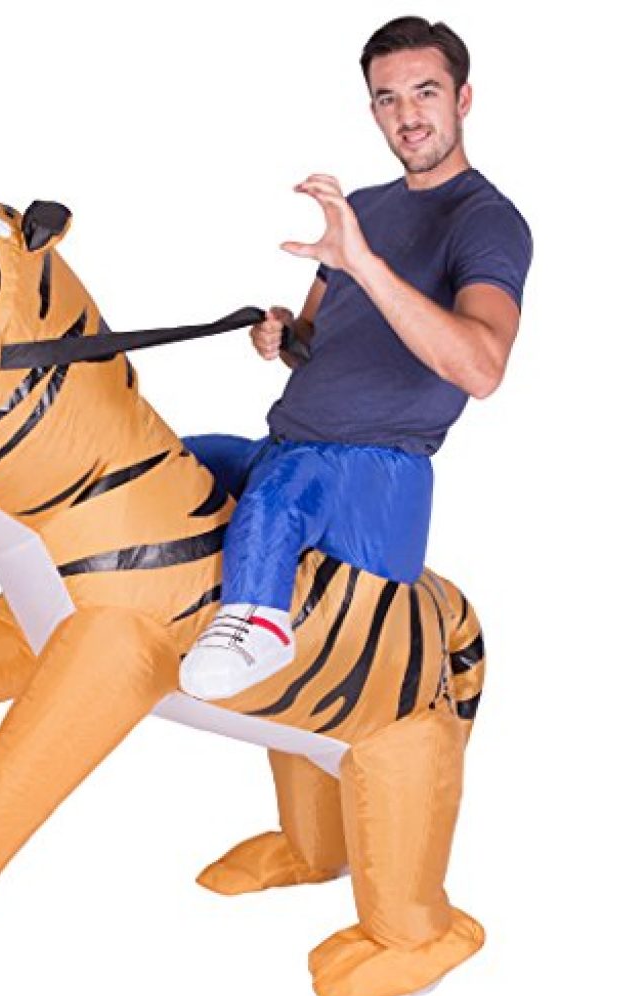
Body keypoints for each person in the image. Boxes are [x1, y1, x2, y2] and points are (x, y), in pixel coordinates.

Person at [179, 15, 533, 700]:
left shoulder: (487, 220)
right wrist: (285, 335)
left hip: (374, 471)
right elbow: (313, 340)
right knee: (178, 459)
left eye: (426, 92)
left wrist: (364, 262)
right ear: (372, 109)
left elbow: (482, 368)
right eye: (387, 98)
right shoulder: (363, 208)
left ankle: (256, 626)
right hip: (286, 443)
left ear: (462, 99)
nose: (408, 116)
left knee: (279, 496)